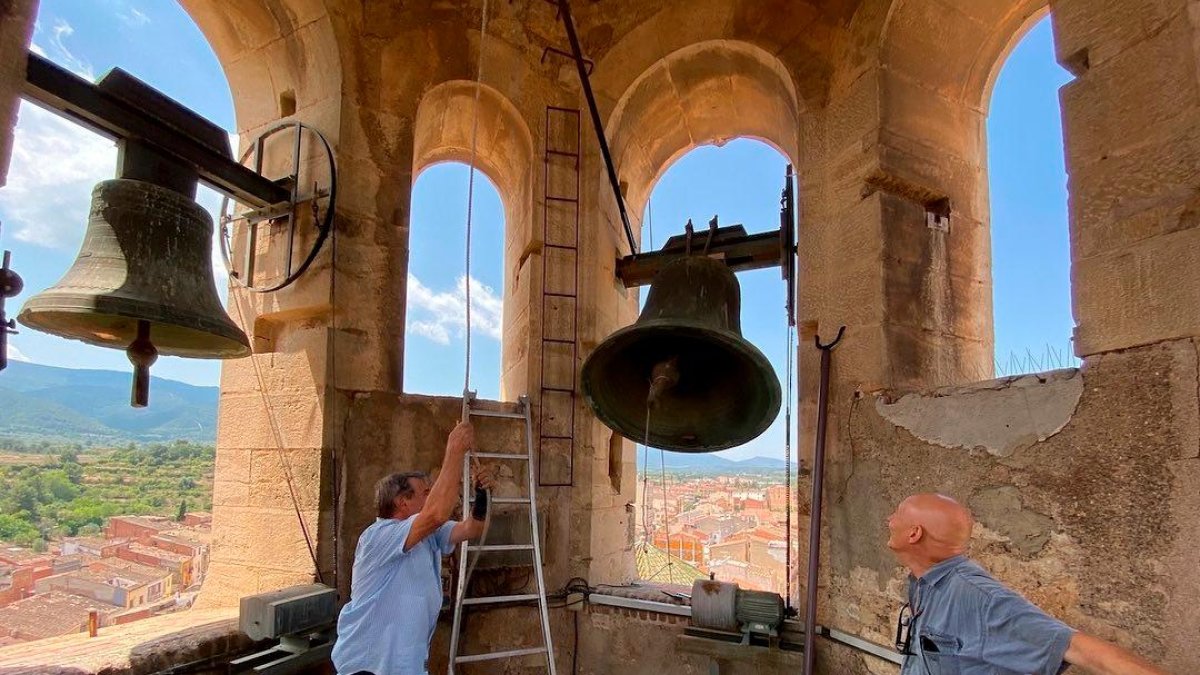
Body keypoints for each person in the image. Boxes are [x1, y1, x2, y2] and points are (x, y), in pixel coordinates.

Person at [887, 493, 1165, 675]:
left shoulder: (980, 596)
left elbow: (1080, 649)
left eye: (897, 514)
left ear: (914, 533)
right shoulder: (923, 582)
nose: (890, 520)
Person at [332, 420, 492, 675]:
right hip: (368, 668)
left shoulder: (428, 535)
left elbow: (472, 528)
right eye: (425, 493)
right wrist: (453, 451)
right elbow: (437, 513)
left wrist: (481, 495)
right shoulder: (377, 537)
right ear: (402, 502)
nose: (431, 497)